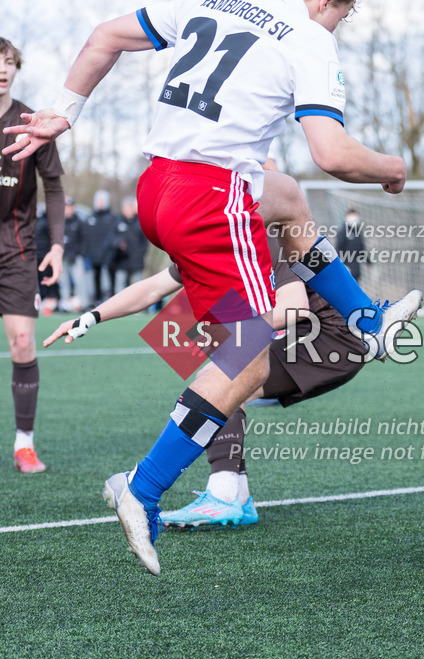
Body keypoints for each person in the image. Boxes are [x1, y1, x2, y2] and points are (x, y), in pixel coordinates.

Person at [4, 0, 421, 575]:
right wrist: (393, 169)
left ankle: (366, 320)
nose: (337, 25)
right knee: (246, 362)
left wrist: (64, 112)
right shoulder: (309, 37)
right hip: (210, 199)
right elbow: (333, 154)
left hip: (157, 187)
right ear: (328, 3)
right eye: (343, 14)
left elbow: (104, 36)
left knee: (286, 196)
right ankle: (143, 489)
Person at [45, 172, 369, 526]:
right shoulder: (207, 238)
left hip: (331, 338)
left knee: (223, 378)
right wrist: (91, 316)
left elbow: (294, 307)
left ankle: (224, 495)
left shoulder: (261, 235)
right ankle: (237, 498)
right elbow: (152, 288)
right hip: (306, 333)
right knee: (212, 361)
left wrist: (223, 329)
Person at [0, 37, 65, 474]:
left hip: (17, 251)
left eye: (9, 62)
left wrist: (57, 245)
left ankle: (24, 444)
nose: (2, 69)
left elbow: (54, 186)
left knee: (23, 343)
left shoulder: (32, 123)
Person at [81, 190, 118, 306]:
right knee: (95, 278)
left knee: (109, 279)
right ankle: (97, 299)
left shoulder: (112, 218)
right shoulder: (91, 217)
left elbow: (114, 236)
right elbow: (86, 236)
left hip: (108, 256)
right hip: (94, 256)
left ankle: (111, 300)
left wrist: (109, 251)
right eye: (98, 200)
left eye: (102, 200)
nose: (100, 203)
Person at [106, 197, 147, 292]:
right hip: (121, 261)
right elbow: (111, 238)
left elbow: (145, 242)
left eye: (129, 208)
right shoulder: (118, 222)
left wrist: (140, 254)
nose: (127, 211)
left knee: (137, 287)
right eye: (125, 208)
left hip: (136, 262)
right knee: (120, 286)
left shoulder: (140, 222)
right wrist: (118, 244)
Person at [335, 208, 366, 281]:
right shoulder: (343, 231)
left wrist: (368, 260)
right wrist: (341, 264)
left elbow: (361, 247)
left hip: (356, 265)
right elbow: (339, 248)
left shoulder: (358, 231)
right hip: (346, 264)